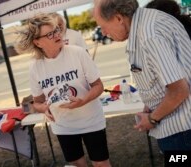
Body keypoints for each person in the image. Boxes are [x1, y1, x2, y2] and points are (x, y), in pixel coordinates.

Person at [93, 0, 191, 153]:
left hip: (182, 132)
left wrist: (152, 118)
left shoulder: (149, 36)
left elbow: (179, 90)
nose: (103, 32)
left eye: (103, 26)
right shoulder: (145, 23)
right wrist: (151, 103)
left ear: (118, 18)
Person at [16, 13, 112, 167]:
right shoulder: (35, 66)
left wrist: (83, 101)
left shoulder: (77, 53)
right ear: (38, 42)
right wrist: (45, 108)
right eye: (50, 34)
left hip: (91, 121)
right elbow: (37, 102)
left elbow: (98, 86)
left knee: (101, 164)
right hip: (64, 126)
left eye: (56, 30)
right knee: (77, 164)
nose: (57, 35)